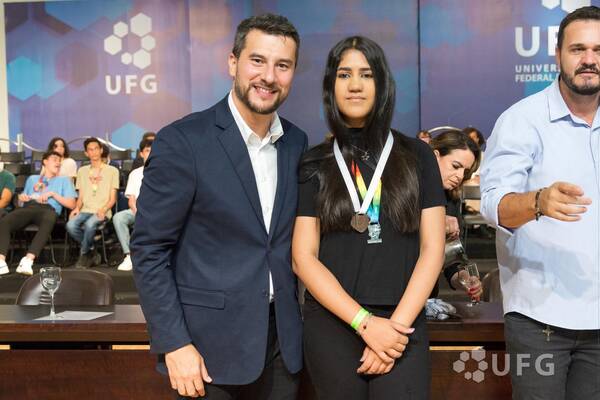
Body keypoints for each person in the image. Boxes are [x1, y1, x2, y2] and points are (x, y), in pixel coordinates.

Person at [131, 14, 306, 399]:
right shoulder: (184, 141)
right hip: (206, 354)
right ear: (232, 62)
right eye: (257, 60)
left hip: (282, 351)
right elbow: (149, 249)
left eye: (283, 65)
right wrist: (174, 343)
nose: (269, 76)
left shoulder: (297, 143)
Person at [292, 36, 445, 399]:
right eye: (344, 75)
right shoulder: (314, 162)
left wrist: (393, 330)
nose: (355, 85)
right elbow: (303, 257)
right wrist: (365, 324)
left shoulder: (417, 156)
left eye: (366, 74)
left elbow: (433, 249)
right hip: (334, 323)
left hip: (402, 321)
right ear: (331, 86)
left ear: (383, 84)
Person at [481, 6, 600, 399]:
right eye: (578, 49)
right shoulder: (522, 120)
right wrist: (538, 202)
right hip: (540, 320)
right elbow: (493, 205)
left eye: (598, 50)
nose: (589, 60)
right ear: (557, 54)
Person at [0, 151, 77, 276]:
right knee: (5, 221)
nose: (58, 162)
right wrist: (21, 198)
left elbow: (72, 204)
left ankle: (28, 260)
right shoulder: (33, 179)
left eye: (59, 161)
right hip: (29, 207)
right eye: (54, 159)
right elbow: (21, 202)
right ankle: (1, 261)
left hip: (48, 209)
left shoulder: (64, 180)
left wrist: (53, 194)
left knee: (48, 221)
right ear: (45, 162)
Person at [429, 130, 483, 301]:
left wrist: (463, 278)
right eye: (455, 166)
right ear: (435, 156)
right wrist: (435, 221)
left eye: (465, 171)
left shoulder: (451, 198)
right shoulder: (405, 189)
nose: (460, 176)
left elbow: (450, 258)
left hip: (426, 297)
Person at [66, 137, 119, 268]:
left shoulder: (112, 171)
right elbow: (81, 196)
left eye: (96, 149)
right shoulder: (82, 171)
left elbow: (113, 198)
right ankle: (92, 249)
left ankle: (84, 254)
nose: (94, 152)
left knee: (90, 224)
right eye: (90, 150)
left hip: (103, 210)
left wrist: (104, 209)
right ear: (86, 153)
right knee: (70, 225)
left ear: (101, 150)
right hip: (85, 210)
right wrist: (76, 208)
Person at [112, 137, 152, 271]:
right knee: (119, 217)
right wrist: (139, 212)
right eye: (147, 150)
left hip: (158, 211)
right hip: (137, 210)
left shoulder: (165, 172)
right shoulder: (135, 173)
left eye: (153, 150)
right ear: (141, 153)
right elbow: (131, 200)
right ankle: (130, 255)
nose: (150, 153)